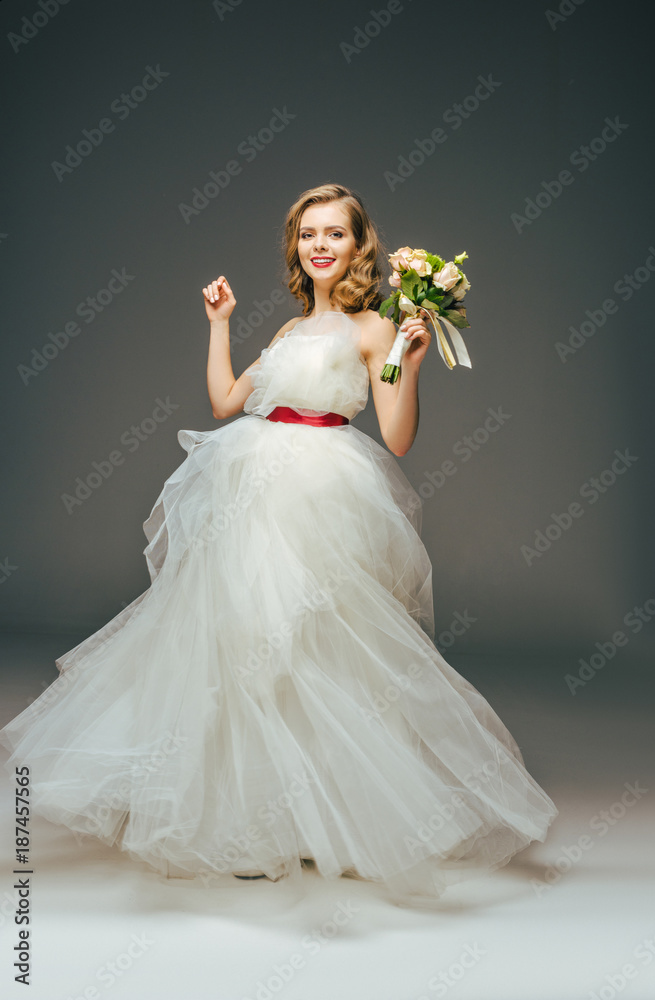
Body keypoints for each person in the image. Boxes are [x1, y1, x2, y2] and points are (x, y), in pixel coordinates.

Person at [0, 183, 557, 906]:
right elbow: (226, 403)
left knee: (319, 645)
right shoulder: (289, 330)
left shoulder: (375, 328)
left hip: (323, 492)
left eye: (335, 233)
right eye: (307, 234)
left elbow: (396, 436)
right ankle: (250, 827)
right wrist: (219, 324)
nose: (320, 245)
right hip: (251, 491)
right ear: (296, 246)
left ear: (359, 246)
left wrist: (412, 364)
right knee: (242, 646)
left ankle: (337, 821)